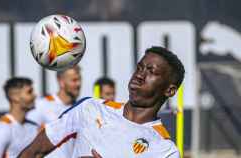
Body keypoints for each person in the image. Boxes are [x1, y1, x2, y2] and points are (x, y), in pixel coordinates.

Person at [18, 46, 185, 158]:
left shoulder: (165, 151)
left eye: (151, 71)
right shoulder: (90, 108)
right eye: (139, 67)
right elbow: (34, 152)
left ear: (169, 90)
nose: (139, 74)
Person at [26, 65, 82, 157]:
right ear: (61, 82)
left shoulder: (80, 108)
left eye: (80, 79)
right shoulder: (42, 105)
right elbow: (25, 139)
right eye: (74, 80)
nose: (78, 84)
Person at [0, 77, 38, 158]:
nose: (35, 95)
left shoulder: (33, 126)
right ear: (15, 97)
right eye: (29, 92)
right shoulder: (3, 129)